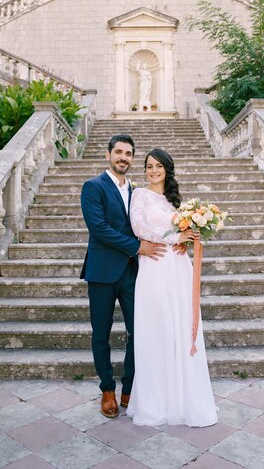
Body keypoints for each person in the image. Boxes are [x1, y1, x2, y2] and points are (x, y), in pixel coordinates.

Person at [126, 148, 218, 427]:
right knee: (157, 329)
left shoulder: (174, 201)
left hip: (178, 268)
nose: (153, 171)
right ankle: (155, 402)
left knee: (179, 327)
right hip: (154, 267)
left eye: (158, 166)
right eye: (149, 166)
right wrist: (175, 236)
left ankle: (182, 400)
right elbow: (139, 229)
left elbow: (181, 233)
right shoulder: (139, 195)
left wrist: (188, 238)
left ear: (167, 169)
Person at [80, 134, 167, 419]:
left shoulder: (137, 191)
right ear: (109, 155)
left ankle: (129, 387)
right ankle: (107, 390)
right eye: (119, 152)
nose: (123, 158)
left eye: (128, 154)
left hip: (132, 273)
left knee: (138, 331)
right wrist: (138, 247)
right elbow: (99, 228)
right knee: (101, 335)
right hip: (102, 272)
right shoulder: (93, 187)